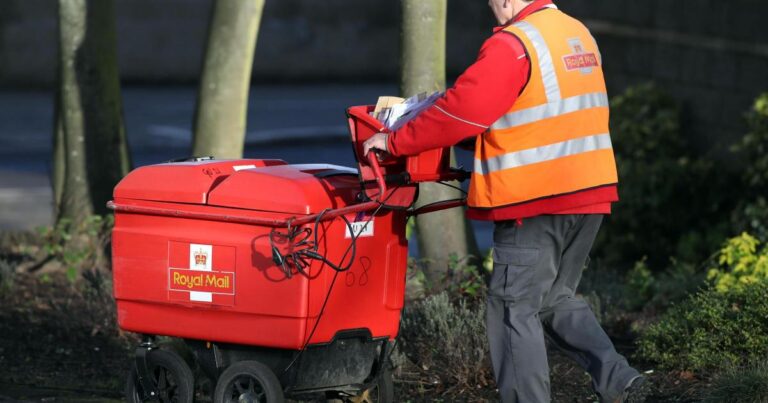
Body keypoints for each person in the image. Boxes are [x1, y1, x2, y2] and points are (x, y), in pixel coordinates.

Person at [363, 0, 649, 402]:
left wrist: (394, 139)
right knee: (553, 299)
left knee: (513, 309)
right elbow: (527, 113)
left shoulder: (513, 45)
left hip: (535, 199)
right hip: (588, 191)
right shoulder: (575, 32)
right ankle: (621, 382)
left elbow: (463, 111)